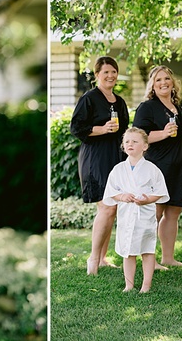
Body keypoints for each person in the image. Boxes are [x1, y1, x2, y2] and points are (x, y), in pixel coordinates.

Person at [70, 56, 130, 275]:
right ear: (97, 75)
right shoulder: (89, 98)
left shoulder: (120, 102)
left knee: (112, 208)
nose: (111, 76)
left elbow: (125, 132)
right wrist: (101, 129)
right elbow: (76, 127)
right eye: (106, 72)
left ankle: (103, 258)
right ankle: (93, 259)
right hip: (95, 158)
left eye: (114, 72)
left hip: (116, 157)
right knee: (105, 207)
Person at [132, 66, 182, 269]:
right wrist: (163, 133)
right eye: (158, 80)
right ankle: (150, 259)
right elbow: (138, 137)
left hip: (180, 167)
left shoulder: (178, 108)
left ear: (173, 83)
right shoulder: (147, 107)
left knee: (173, 213)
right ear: (152, 84)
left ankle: (168, 257)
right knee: (154, 213)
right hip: (158, 166)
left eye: (167, 78)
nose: (163, 82)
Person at [102, 127, 169, 293]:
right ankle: (129, 285)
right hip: (126, 216)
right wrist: (122, 197)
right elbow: (111, 191)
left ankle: (146, 285)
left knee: (147, 249)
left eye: (135, 141)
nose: (130, 144)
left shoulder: (152, 169)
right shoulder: (118, 170)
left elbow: (160, 192)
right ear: (123, 146)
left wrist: (147, 199)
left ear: (145, 146)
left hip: (145, 216)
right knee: (128, 251)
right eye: (127, 142)